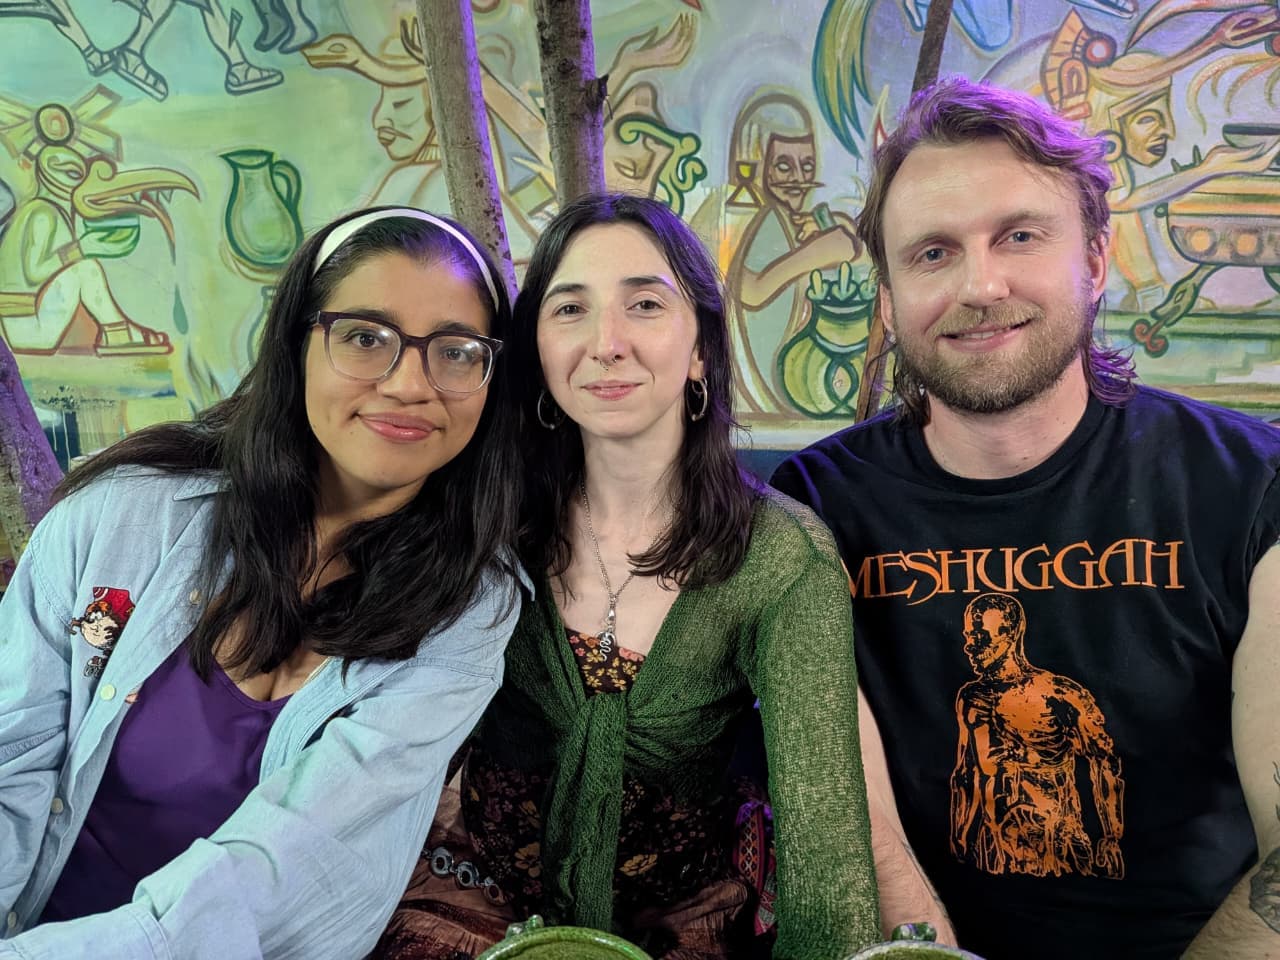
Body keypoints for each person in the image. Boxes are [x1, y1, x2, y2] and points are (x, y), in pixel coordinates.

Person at [770, 76, 1280, 960]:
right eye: (931, 254)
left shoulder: (1247, 483)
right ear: (887, 300)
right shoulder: (816, 504)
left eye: (1019, 235)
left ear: (1093, 256)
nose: (981, 283)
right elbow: (857, 828)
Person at [0, 205, 527, 958]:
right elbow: (13, 752)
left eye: (456, 350)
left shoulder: (468, 604)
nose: (411, 383)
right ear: (298, 343)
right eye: (366, 338)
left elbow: (283, 867)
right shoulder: (119, 516)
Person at [375, 193, 883, 960]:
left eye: (644, 303)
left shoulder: (779, 557)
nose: (606, 344)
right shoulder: (484, 520)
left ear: (702, 347)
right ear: (537, 351)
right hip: (470, 899)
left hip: (684, 921)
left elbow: (828, 864)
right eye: (569, 309)